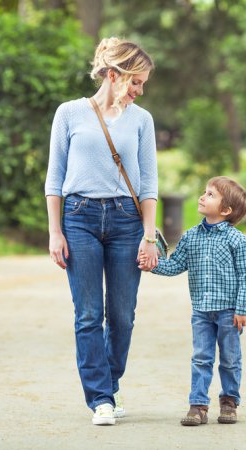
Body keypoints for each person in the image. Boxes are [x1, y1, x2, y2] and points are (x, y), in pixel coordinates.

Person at [45, 37, 158, 426]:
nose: (140, 91)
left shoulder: (141, 120)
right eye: (136, 82)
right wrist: (54, 232)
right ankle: (101, 400)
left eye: (143, 84)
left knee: (122, 315)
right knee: (89, 313)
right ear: (114, 75)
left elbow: (148, 185)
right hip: (79, 218)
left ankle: (110, 381)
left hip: (127, 221)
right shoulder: (70, 113)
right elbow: (54, 178)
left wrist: (148, 235)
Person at [139, 176, 246, 426]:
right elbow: (174, 266)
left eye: (211, 195)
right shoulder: (190, 237)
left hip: (229, 312)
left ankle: (229, 402)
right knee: (201, 358)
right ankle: (198, 405)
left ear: (226, 210)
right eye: (205, 192)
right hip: (201, 312)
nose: (203, 197)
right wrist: (152, 264)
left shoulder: (237, 240)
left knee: (230, 360)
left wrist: (242, 309)